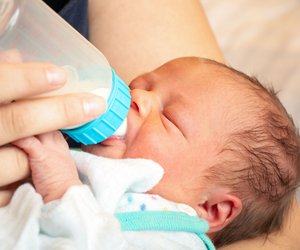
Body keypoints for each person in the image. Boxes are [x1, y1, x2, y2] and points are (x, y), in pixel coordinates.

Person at [1, 0, 299, 249]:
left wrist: (62, 190)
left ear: (212, 208)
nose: (139, 97)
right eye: (139, 85)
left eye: (169, 118)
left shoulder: (171, 236)